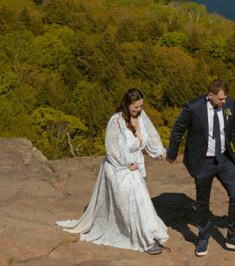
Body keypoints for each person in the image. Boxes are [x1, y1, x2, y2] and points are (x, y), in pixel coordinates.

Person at [56, 89, 169, 255]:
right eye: (135, 107)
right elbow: (112, 149)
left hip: (133, 167)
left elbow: (151, 136)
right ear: (127, 104)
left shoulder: (141, 116)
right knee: (131, 201)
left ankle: (147, 233)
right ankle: (143, 241)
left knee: (140, 200)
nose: (138, 110)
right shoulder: (116, 121)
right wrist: (129, 162)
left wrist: (161, 152)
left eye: (140, 106)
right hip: (118, 169)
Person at [166, 78, 235, 257]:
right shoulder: (193, 107)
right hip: (202, 161)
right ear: (210, 95)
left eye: (225, 99)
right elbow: (178, 130)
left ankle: (233, 237)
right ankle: (203, 237)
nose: (224, 102)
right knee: (202, 201)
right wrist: (172, 154)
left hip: (224, 159)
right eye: (220, 99)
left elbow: (234, 129)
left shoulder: (229, 104)